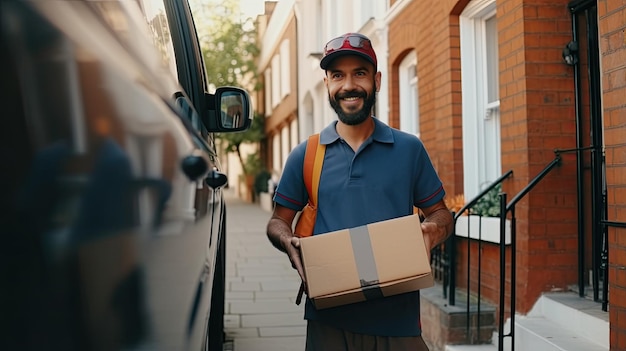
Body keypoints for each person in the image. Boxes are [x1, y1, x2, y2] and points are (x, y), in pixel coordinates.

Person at [266, 32, 454, 351]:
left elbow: (441, 213)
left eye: (360, 74)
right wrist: (287, 241)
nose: (349, 85)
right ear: (327, 83)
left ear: (376, 81)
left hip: (398, 320)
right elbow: (277, 221)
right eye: (338, 75)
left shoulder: (408, 149)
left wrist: (433, 230)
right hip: (329, 319)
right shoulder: (305, 154)